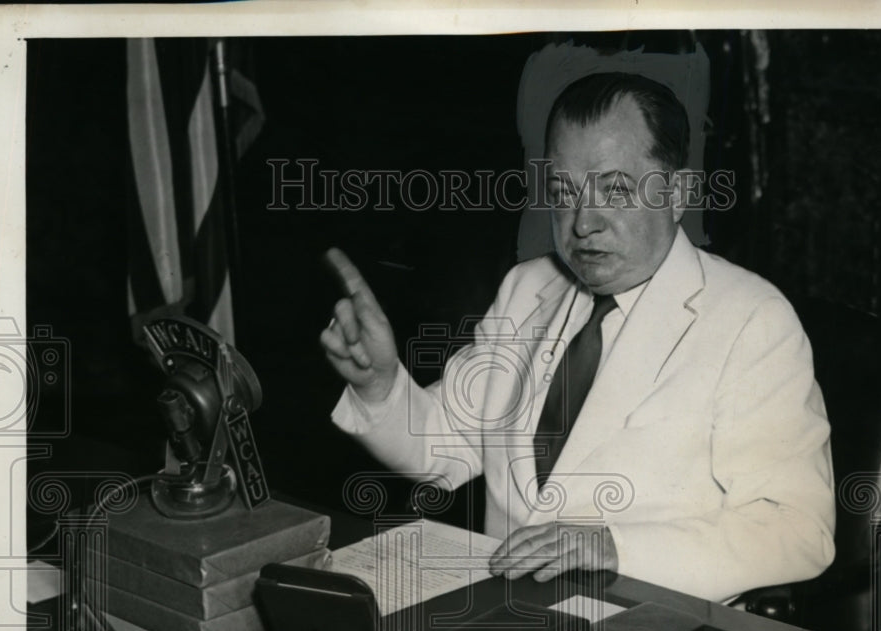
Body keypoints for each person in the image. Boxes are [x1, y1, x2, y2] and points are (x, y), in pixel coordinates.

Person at [322, 72, 835, 603]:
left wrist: (615, 548)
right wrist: (381, 385)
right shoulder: (527, 288)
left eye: (614, 189)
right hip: (509, 620)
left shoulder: (753, 320)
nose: (583, 223)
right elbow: (445, 447)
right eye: (563, 191)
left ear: (679, 194)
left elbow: (800, 530)